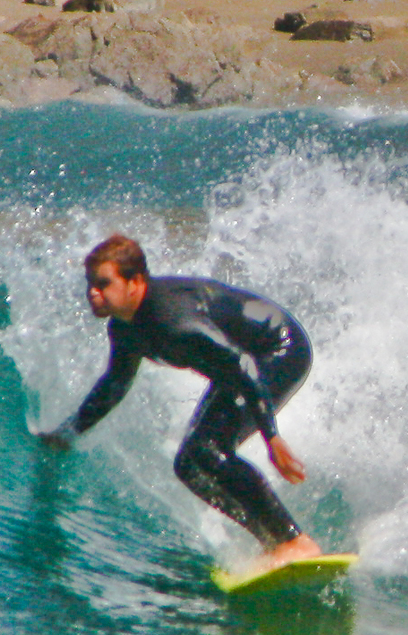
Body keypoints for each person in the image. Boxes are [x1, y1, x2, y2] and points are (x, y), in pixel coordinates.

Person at [42, 234, 322, 570]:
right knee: (189, 465)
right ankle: (273, 540)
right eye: (90, 284)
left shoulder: (175, 321)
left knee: (210, 449)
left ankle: (294, 541)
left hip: (277, 349)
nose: (93, 292)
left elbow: (243, 364)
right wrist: (69, 432)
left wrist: (271, 437)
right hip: (240, 362)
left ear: (135, 283)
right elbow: (114, 385)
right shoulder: (124, 329)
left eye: (103, 283)